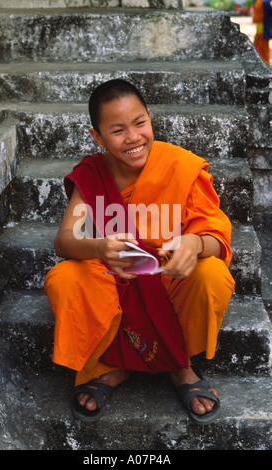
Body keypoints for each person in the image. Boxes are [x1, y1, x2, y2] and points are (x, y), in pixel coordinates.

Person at [44, 79, 235, 425]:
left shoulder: (180, 166)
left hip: (167, 278)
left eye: (140, 123)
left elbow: (217, 237)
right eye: (117, 130)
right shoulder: (94, 173)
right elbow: (64, 242)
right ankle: (111, 365)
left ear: (150, 117)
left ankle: (180, 366)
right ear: (97, 137)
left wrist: (192, 244)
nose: (133, 137)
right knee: (64, 277)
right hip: (116, 278)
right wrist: (101, 246)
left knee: (212, 273)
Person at [253, 0, 272, 65]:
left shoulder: (259, 2)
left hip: (260, 28)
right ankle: (266, 64)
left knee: (258, 47)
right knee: (264, 49)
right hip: (263, 29)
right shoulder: (265, 2)